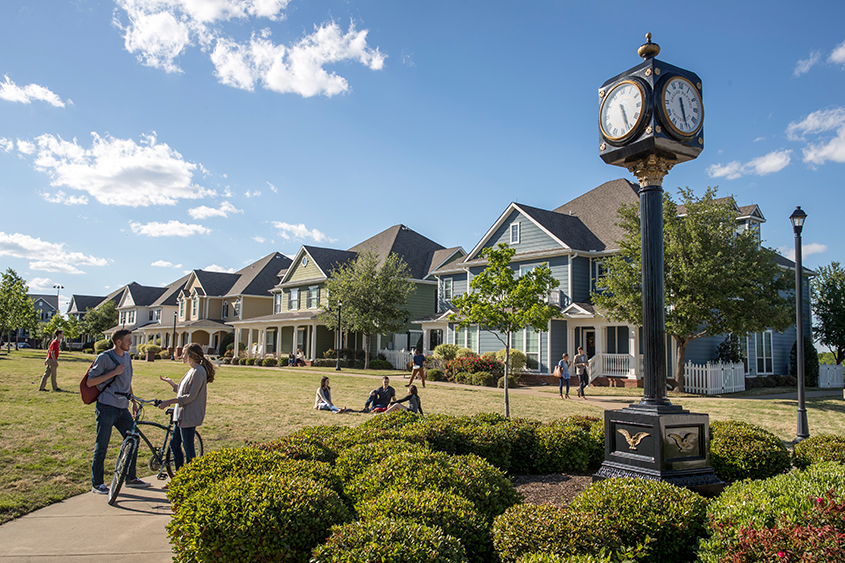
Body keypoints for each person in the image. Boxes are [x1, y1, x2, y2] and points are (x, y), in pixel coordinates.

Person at [87, 329, 150, 494]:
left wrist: (133, 400)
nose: (131, 343)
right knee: (102, 445)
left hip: (123, 408)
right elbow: (90, 382)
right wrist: (113, 372)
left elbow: (127, 380)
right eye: (128, 340)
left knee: (133, 440)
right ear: (119, 342)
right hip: (107, 406)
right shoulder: (104, 358)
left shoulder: (127, 357)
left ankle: (130, 477)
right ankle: (97, 484)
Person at [157, 342, 214, 471]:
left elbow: (191, 396)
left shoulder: (199, 371)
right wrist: (171, 383)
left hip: (189, 417)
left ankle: (191, 478)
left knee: (188, 449)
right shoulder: (192, 370)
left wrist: (169, 401)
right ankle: (179, 475)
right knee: (174, 445)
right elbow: (183, 392)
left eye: (184, 353)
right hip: (181, 416)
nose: (181, 356)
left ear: (191, 355)